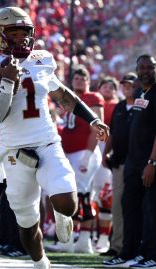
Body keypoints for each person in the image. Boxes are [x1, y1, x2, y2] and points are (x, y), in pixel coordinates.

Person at [0, 7, 108, 269]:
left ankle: (60, 213)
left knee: (68, 202)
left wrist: (92, 119)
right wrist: (7, 82)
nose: (21, 39)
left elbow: (62, 95)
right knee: (26, 220)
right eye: (14, 33)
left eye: (25, 33)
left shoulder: (42, 60)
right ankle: (40, 263)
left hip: (47, 142)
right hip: (14, 151)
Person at [103, 54, 156, 269]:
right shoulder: (142, 92)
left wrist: (152, 162)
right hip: (133, 160)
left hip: (151, 162)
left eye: (149, 67)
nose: (144, 71)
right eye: (141, 67)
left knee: (153, 209)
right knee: (130, 208)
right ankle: (129, 253)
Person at [49, 66, 104, 254]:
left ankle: (81, 239)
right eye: (76, 78)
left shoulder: (93, 98)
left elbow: (97, 128)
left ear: (89, 81)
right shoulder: (67, 99)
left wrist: (88, 155)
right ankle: (75, 240)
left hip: (84, 153)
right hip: (70, 153)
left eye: (83, 78)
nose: (79, 81)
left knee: (81, 197)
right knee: (77, 195)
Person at [101, 72, 137, 257]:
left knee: (134, 206)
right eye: (124, 84)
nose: (126, 87)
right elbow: (112, 132)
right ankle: (116, 245)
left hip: (137, 163)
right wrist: (106, 152)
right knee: (117, 206)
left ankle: (132, 245)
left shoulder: (142, 105)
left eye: (129, 84)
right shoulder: (120, 107)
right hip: (120, 162)